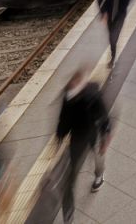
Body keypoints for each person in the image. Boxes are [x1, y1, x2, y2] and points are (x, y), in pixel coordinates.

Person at [55, 70, 111, 223]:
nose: (73, 85)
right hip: (77, 137)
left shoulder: (92, 93)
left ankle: (99, 175)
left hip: (93, 132)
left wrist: (106, 135)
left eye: (76, 83)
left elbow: (104, 116)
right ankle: (68, 216)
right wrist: (59, 135)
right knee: (69, 178)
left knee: (98, 156)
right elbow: (63, 118)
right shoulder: (67, 95)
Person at [96, 0, 132, 68]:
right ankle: (113, 54)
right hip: (109, 15)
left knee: (113, 38)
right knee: (111, 38)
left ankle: (112, 59)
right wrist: (103, 13)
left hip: (120, 16)